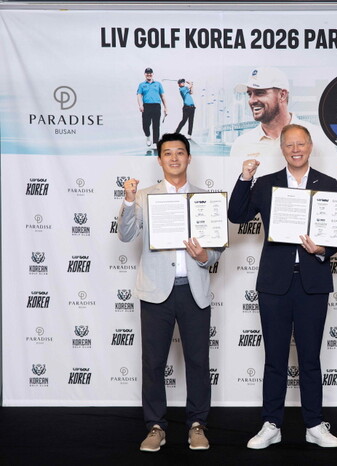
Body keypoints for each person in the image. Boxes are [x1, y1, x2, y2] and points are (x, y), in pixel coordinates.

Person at [228, 124, 337, 450]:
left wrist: (323, 249)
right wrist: (245, 178)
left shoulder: (328, 183)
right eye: (289, 144)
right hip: (275, 282)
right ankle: (272, 424)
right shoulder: (265, 183)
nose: (296, 149)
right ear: (281, 149)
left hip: (313, 281)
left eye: (301, 144)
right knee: (275, 358)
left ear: (310, 146)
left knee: (310, 358)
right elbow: (236, 215)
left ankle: (314, 424)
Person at [117, 133, 223, 452]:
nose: (174, 158)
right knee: (153, 363)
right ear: (159, 159)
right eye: (167, 153)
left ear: (189, 158)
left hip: (194, 291)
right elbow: (125, 235)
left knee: (198, 362)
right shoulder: (143, 196)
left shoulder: (206, 198)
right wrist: (128, 201)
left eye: (180, 152)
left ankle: (197, 425)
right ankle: (155, 427)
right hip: (155, 292)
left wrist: (205, 256)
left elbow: (216, 249)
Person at [229, 67, 337, 159]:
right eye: (249, 94)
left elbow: (333, 176)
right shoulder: (241, 144)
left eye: (260, 93)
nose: (252, 100)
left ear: (282, 95)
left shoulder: (318, 138)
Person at [136, 67, 167, 148]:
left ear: (152, 74)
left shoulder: (158, 84)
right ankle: (148, 136)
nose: (149, 74)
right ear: (145, 74)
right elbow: (139, 95)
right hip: (146, 106)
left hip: (156, 106)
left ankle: (155, 142)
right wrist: (140, 105)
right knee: (145, 124)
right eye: (147, 73)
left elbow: (162, 96)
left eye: (150, 73)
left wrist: (165, 107)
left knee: (156, 125)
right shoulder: (142, 85)